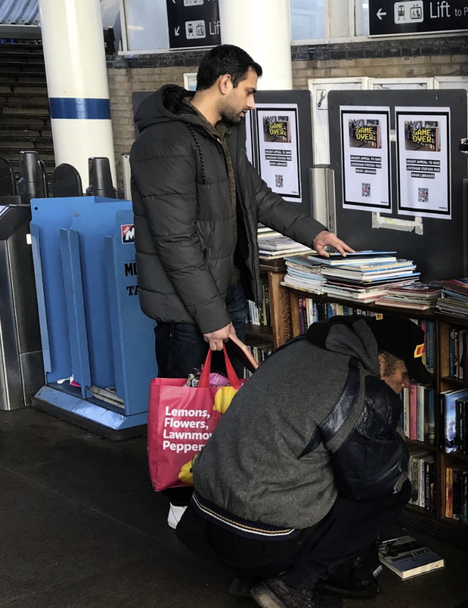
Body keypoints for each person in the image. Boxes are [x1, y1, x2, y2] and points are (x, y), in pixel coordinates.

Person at [130, 44, 355, 525]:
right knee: (185, 406)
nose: (253, 104)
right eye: (250, 91)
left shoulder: (222, 136)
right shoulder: (166, 141)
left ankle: (215, 490)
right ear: (224, 82)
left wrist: (313, 231)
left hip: (223, 291)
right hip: (186, 307)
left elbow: (259, 198)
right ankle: (179, 506)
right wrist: (212, 319)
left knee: (223, 400)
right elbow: (175, 241)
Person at [176, 315, 427, 608]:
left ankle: (251, 576)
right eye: (405, 374)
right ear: (381, 361)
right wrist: (394, 440)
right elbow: (371, 484)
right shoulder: (363, 387)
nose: (408, 385)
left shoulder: (295, 348)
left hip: (204, 522)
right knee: (393, 490)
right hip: (263, 544)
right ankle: (294, 585)